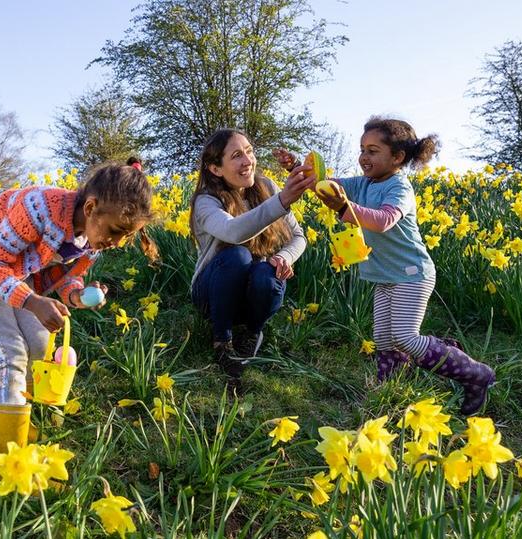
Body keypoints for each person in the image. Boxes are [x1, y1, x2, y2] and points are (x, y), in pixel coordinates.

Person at [0, 158, 153, 474]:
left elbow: (65, 278)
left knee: (40, 344)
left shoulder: (93, 241)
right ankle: (8, 465)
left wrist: (78, 296)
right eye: (115, 232)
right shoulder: (39, 208)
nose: (117, 243)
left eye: (126, 236)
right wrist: (32, 302)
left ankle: (27, 429)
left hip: (11, 269)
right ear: (91, 208)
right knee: (10, 351)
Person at [294, 117, 494, 415]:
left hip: (411, 275)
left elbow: (384, 220)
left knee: (404, 336)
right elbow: (326, 187)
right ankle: (391, 393)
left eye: (373, 150)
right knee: (384, 340)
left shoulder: (399, 188)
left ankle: (477, 375)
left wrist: (344, 208)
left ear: (397, 157)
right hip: (384, 275)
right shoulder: (361, 184)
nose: (364, 157)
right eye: (362, 149)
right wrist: (299, 169)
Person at [189, 128, 311, 387]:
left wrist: (284, 257)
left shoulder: (266, 186)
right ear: (216, 169)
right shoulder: (206, 201)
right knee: (237, 256)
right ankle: (222, 340)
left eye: (249, 152)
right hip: (212, 293)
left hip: (253, 289)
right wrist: (283, 200)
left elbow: (298, 237)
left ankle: (252, 332)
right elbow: (232, 232)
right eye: (236, 156)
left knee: (267, 272)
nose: (248, 161)